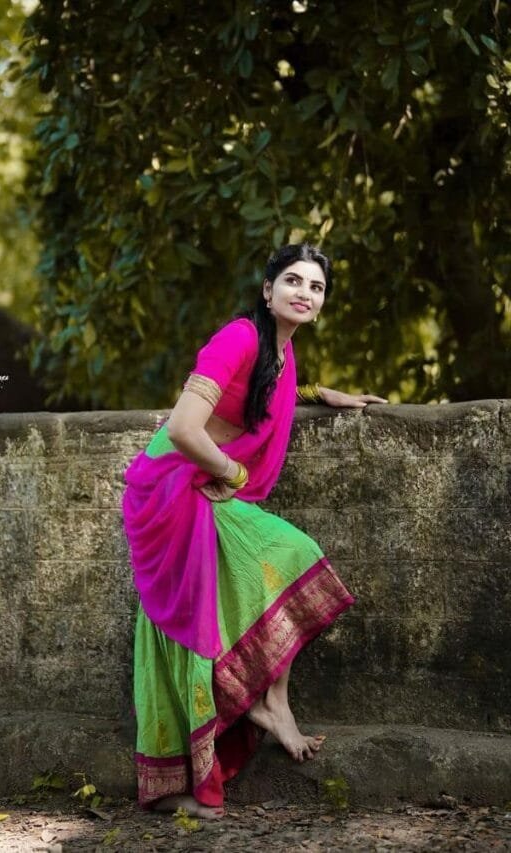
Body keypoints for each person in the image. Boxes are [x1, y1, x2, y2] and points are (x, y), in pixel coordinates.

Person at [122, 243, 387, 820]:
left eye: (315, 287)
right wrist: (234, 471)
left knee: (270, 571)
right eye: (292, 280)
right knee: (291, 555)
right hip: (170, 489)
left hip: (201, 489)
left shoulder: (281, 358)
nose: (303, 292)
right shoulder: (238, 337)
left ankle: (273, 703)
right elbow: (187, 428)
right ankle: (190, 769)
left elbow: (270, 394)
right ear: (267, 291)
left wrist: (320, 394)